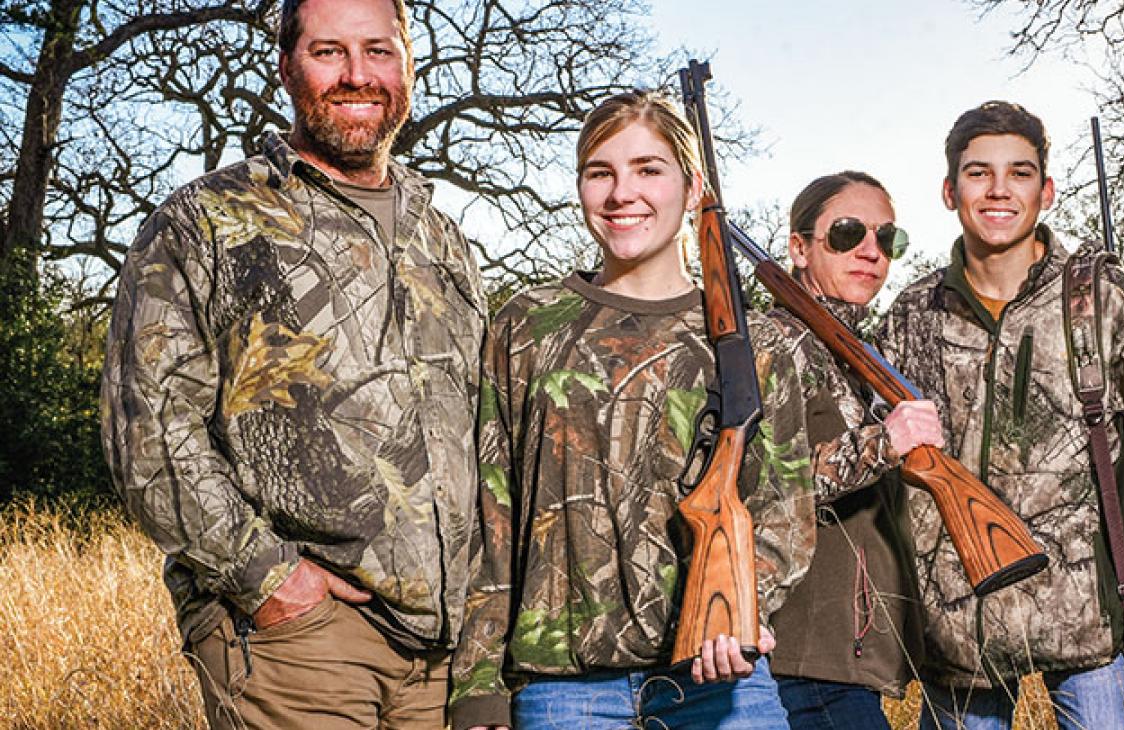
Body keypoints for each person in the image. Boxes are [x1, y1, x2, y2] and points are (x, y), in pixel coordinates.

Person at [99, 0, 485, 727]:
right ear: (285, 67)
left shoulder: (445, 239)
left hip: (445, 653)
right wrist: (267, 577)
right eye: (328, 52)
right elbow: (147, 425)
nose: (357, 75)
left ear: (407, 65)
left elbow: (481, 432)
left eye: (378, 51)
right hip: (301, 638)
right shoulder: (206, 219)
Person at [447, 90, 816, 730]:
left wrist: (738, 607)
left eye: (649, 169)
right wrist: (479, 683)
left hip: (719, 681)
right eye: (601, 172)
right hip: (564, 690)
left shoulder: (759, 343)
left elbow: (785, 509)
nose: (623, 193)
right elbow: (491, 514)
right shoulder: (528, 325)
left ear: (693, 184)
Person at [874, 101, 1124, 729]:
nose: (999, 190)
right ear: (950, 191)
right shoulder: (912, 312)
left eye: (1020, 172)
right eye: (978, 173)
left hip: (1093, 631)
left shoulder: (1102, 298)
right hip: (958, 635)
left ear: (1048, 189)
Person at [767, 172, 943, 729]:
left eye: (887, 239)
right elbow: (769, 483)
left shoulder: (864, 357)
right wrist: (884, 443)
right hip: (803, 658)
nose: (871, 251)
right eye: (847, 233)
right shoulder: (776, 341)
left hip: (850, 658)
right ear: (800, 247)